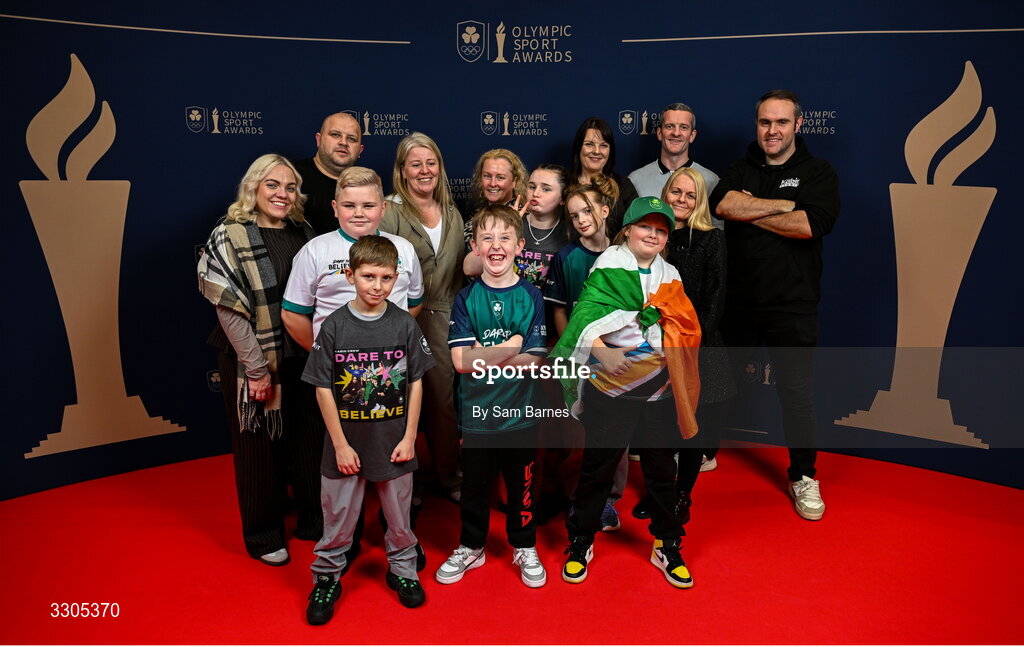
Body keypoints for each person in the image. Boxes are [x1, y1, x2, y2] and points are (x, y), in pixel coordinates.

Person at [552, 196, 703, 589]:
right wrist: (603, 352)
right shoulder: (609, 265)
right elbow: (584, 316)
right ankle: (581, 540)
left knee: (660, 471)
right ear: (628, 230)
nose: (652, 235)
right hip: (611, 386)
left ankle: (667, 543)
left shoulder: (670, 274)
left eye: (661, 230)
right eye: (645, 227)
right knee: (598, 467)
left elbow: (683, 324)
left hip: (658, 388)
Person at [281, 166, 426, 568]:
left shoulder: (403, 249)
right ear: (334, 207)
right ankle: (342, 547)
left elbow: (413, 304)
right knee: (342, 461)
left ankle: (402, 545)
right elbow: (294, 313)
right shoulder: (315, 251)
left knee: (393, 459)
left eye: (367, 205)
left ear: (383, 207)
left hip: (390, 379)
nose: (359, 213)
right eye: (349, 205)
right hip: (337, 378)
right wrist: (331, 356)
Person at [709, 89, 840, 521]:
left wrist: (753, 208)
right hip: (740, 303)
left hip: (794, 306)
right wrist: (783, 205)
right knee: (718, 382)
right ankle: (703, 452)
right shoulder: (740, 167)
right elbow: (724, 204)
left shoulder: (818, 172)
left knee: (796, 396)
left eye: (781, 122)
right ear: (757, 125)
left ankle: (803, 475)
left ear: (798, 125)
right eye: (765, 122)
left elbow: (809, 224)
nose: (772, 130)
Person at [197, 154, 322, 567]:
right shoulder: (229, 235)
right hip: (252, 354)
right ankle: (263, 534)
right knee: (258, 448)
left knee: (308, 440)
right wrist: (255, 369)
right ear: (253, 187)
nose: (282, 194)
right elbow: (229, 308)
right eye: (272, 185)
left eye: (289, 187)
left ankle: (313, 521)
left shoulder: (302, 231)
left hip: (300, 350)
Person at [303, 235, 435, 624]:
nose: (377, 287)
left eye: (386, 278)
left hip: (393, 443)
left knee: (399, 517)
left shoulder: (403, 325)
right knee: (338, 518)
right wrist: (340, 445)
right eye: (368, 277)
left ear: (396, 279)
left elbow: (415, 383)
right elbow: (323, 387)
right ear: (350, 275)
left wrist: (410, 436)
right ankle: (327, 575)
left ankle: (403, 570)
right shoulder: (334, 326)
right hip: (346, 445)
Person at [436, 205, 548, 589]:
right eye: (487, 238)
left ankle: (524, 545)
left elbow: (533, 361)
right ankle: (471, 546)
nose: (496, 246)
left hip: (521, 415)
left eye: (504, 238)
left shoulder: (532, 296)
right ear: (475, 247)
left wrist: (488, 353)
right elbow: (462, 362)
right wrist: (511, 345)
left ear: (519, 245)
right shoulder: (467, 299)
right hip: (478, 415)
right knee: (475, 487)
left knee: (522, 486)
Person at [381, 133, 465, 503]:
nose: (425, 170)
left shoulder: (451, 211)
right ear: (402, 170)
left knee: (443, 404)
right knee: (398, 402)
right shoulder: (389, 210)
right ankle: (402, 483)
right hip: (401, 318)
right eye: (416, 164)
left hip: (445, 317)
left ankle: (449, 477)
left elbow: (461, 270)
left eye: (431, 163)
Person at [543, 174, 626, 531]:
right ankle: (572, 495)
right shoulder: (567, 256)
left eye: (587, 211)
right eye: (574, 215)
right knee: (573, 429)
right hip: (578, 354)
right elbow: (560, 308)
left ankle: (607, 500)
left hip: (616, 354)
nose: (580, 219)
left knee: (615, 433)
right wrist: (573, 348)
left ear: (605, 210)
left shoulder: (624, 255)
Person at [628, 102, 723, 229]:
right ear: (659, 133)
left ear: (692, 135)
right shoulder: (636, 179)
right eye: (669, 126)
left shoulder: (711, 181)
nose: (676, 133)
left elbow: (716, 232)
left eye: (683, 127)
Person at [291, 112, 364, 234]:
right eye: (335, 135)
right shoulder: (292, 177)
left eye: (351, 139)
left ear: (360, 150)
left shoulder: (366, 185)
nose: (343, 142)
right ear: (318, 140)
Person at [568, 117, 639, 240]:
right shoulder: (564, 184)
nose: (596, 151)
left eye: (603, 145)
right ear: (578, 147)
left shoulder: (623, 186)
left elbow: (637, 227)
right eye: (589, 144)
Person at [461, 148, 529, 260]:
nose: (492, 183)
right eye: (487, 176)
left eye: (500, 177)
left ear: (515, 182)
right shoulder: (478, 213)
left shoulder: (524, 218)